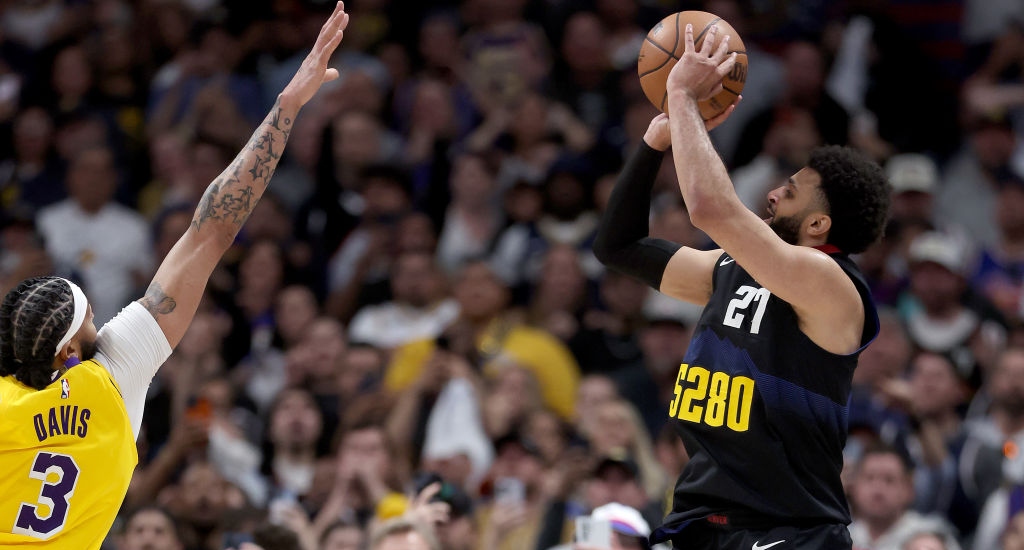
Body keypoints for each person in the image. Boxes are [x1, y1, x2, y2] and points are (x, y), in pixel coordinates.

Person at [0, 3, 351, 548]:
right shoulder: (114, 372)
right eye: (92, 316)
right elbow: (210, 231)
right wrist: (285, 108)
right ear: (70, 351)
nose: (103, 319)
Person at [593, 23, 891, 549]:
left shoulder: (832, 285)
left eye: (792, 193)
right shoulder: (728, 269)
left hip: (789, 532)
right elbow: (617, 246)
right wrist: (654, 141)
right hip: (701, 522)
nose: (774, 194)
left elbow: (710, 208)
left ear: (820, 226)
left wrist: (682, 95)